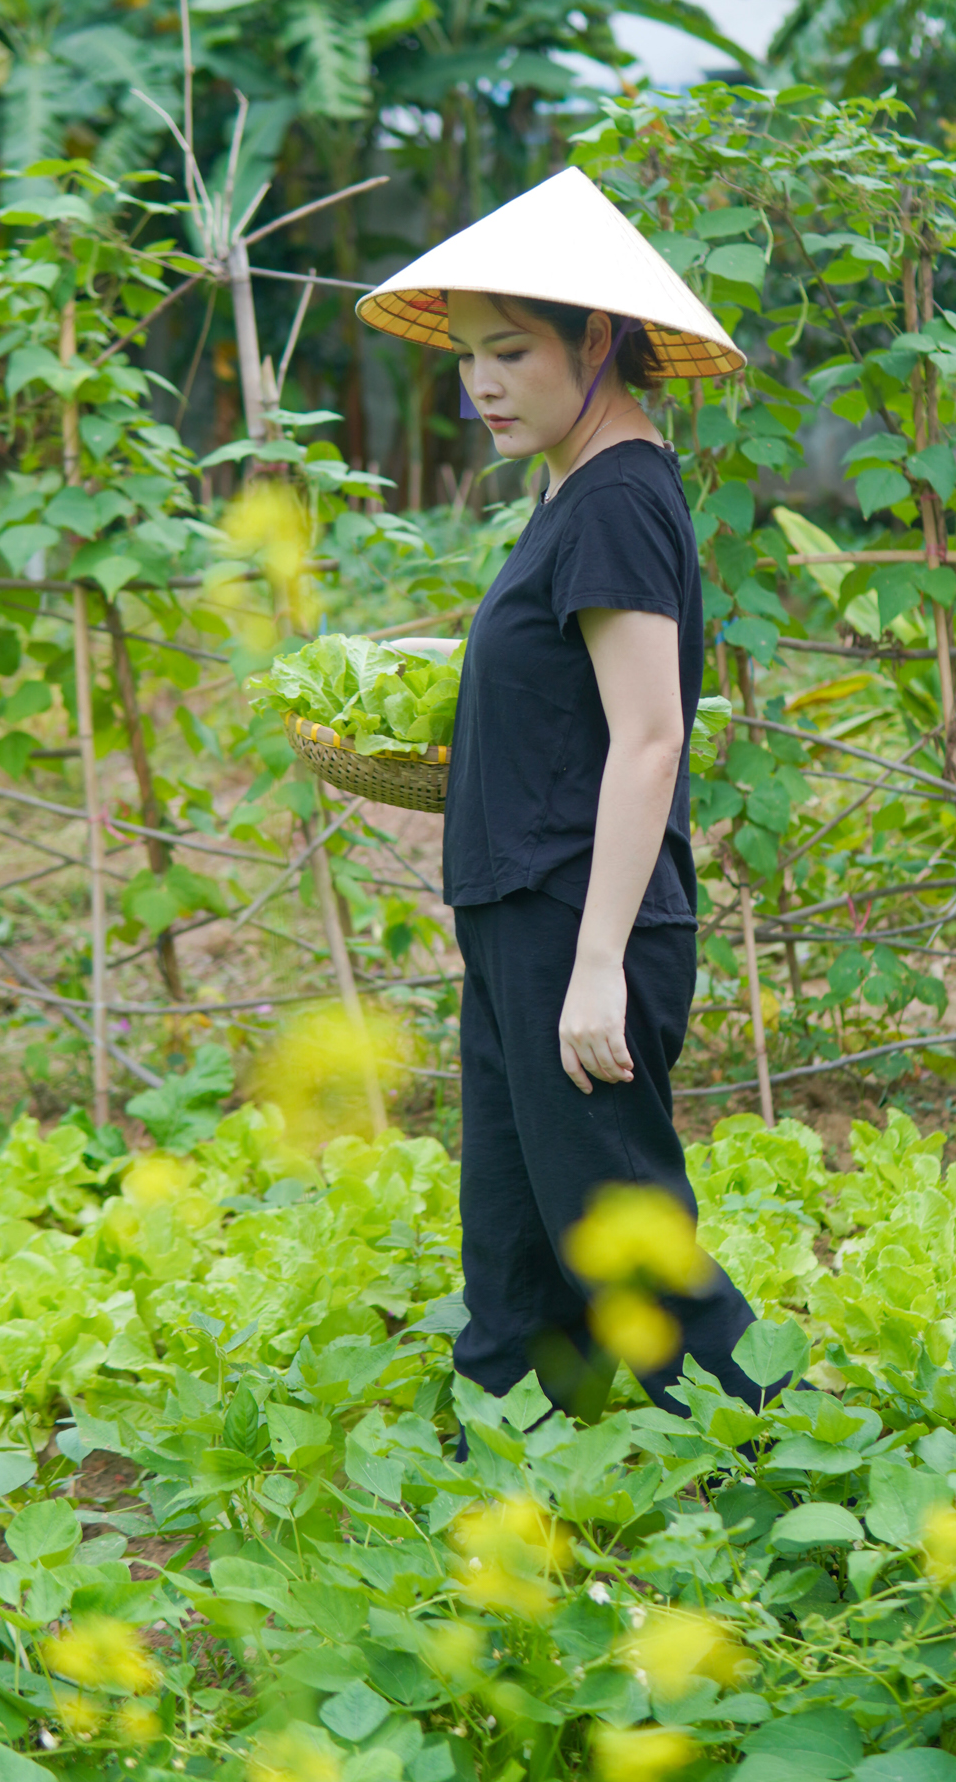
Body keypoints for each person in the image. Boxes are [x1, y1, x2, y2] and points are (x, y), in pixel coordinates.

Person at [357, 167, 773, 1422]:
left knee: (616, 1218)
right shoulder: (582, 492)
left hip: (575, 918)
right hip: (521, 912)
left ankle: (776, 1444)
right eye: (469, 356)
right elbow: (571, 688)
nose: (481, 383)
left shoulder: (614, 500)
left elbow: (650, 738)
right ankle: (509, 1435)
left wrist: (595, 965)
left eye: (511, 351)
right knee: (518, 1227)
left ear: (596, 342)